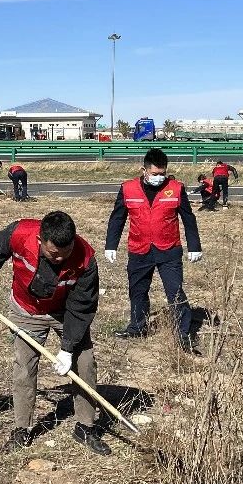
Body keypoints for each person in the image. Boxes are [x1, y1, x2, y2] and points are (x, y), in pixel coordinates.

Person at [0, 211, 109, 455]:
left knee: (85, 363)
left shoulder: (85, 258)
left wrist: (67, 348)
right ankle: (22, 429)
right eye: (53, 253)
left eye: (66, 251)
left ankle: (85, 426)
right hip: (26, 310)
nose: (60, 258)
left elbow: (82, 307)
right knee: (24, 367)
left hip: (65, 312)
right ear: (40, 240)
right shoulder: (20, 233)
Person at [103, 148, 203, 354]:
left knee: (175, 293)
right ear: (144, 170)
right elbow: (117, 218)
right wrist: (110, 244)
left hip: (169, 249)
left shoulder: (176, 188)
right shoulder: (128, 189)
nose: (159, 178)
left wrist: (194, 246)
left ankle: (182, 335)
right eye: (155, 174)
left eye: (162, 173)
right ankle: (137, 327)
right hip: (139, 249)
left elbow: (188, 218)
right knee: (138, 290)